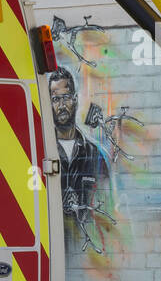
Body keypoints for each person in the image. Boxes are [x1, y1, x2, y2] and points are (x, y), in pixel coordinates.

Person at [48, 67, 113, 248]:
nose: (61, 105)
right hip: (52, 250)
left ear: (75, 100)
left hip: (88, 252)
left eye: (66, 97)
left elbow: (106, 211)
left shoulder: (95, 155)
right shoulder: (40, 153)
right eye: (55, 99)